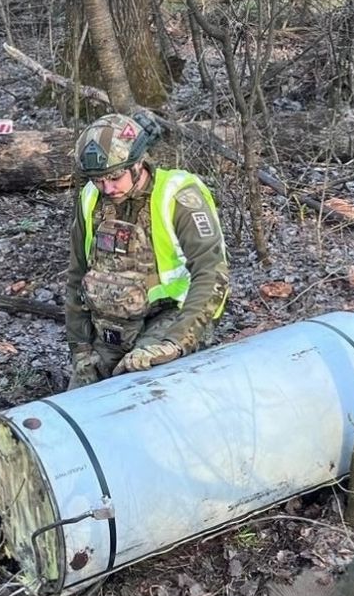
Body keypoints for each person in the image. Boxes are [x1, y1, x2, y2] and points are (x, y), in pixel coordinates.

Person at [64, 113, 230, 389]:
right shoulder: (91, 198)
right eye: (98, 180)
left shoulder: (178, 196)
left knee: (140, 393)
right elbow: (76, 275)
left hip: (171, 319)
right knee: (78, 400)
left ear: (138, 163)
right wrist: (80, 347)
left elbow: (212, 273)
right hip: (111, 327)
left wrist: (175, 343)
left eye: (115, 177)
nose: (107, 187)